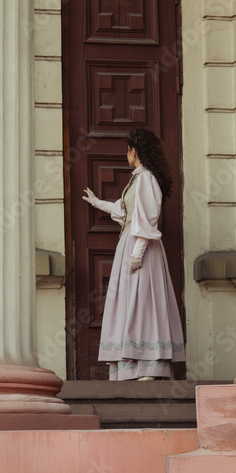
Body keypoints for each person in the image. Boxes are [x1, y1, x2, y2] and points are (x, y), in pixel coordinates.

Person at [82, 128, 185, 381]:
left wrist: (137, 253)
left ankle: (149, 366)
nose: (126, 154)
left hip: (141, 248)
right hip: (129, 245)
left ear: (135, 151)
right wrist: (97, 202)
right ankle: (129, 367)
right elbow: (125, 210)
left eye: (128, 149)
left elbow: (147, 218)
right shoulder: (137, 179)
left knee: (143, 304)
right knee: (130, 303)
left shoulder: (146, 179)